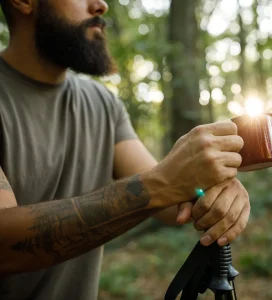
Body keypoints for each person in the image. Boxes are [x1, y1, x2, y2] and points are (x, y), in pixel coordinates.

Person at [0, 0, 250, 299]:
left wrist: (212, 187)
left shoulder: (102, 104)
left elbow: (172, 201)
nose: (101, 5)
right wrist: (162, 185)